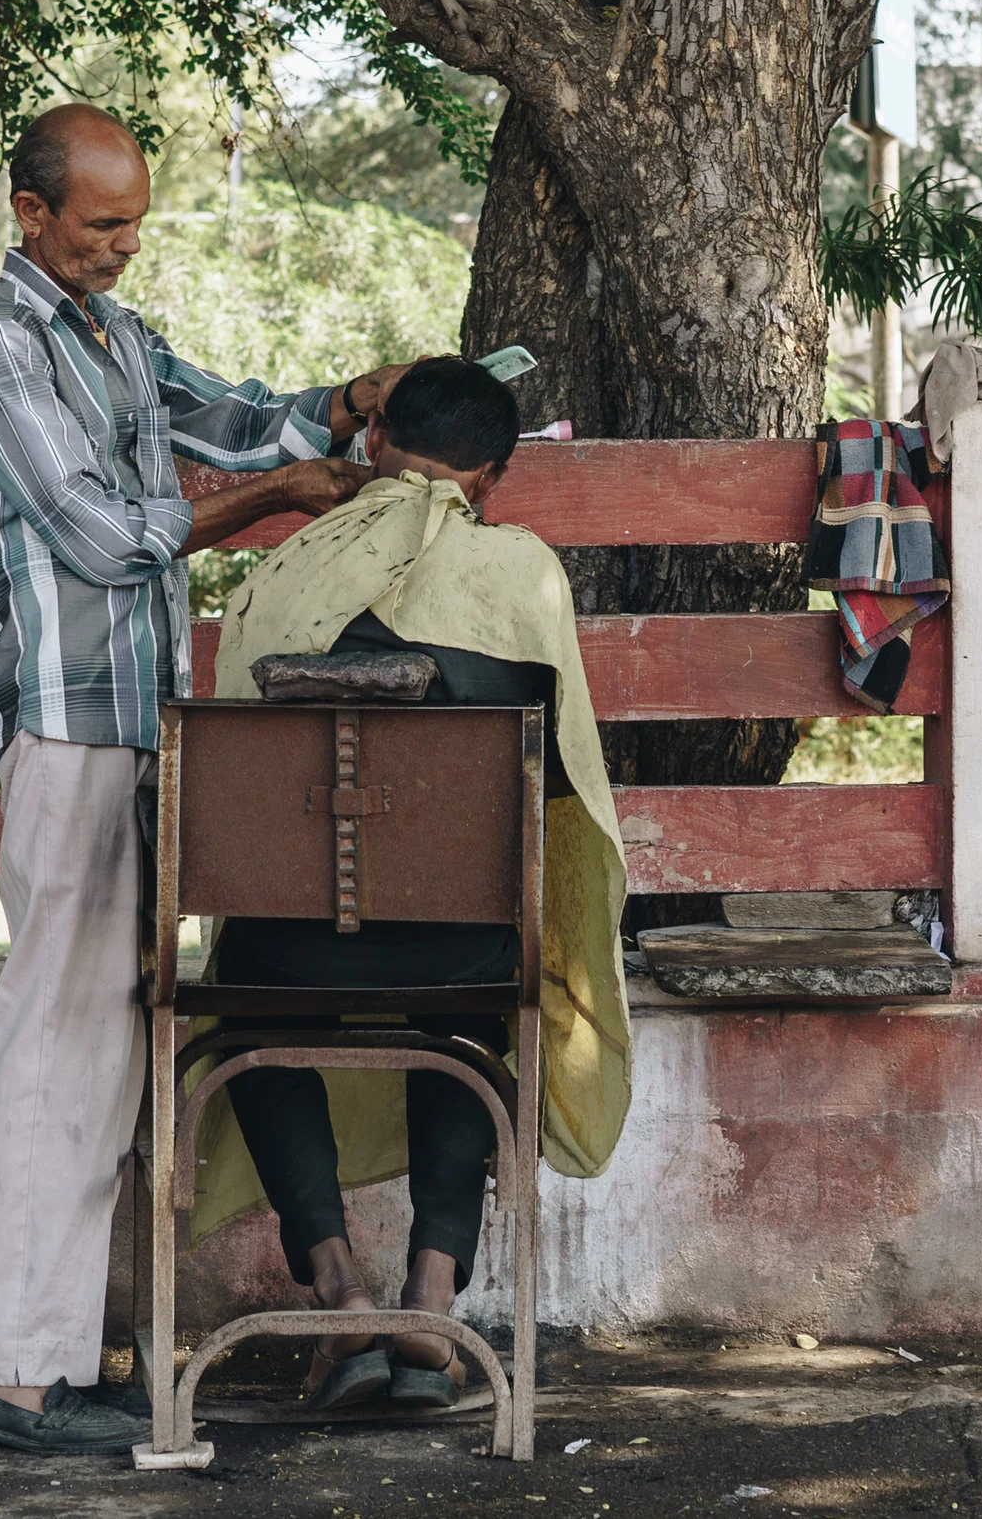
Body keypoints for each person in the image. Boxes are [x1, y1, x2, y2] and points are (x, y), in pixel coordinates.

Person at [0, 101, 406, 1457]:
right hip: (70, 727)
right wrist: (264, 502)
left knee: (109, 1048)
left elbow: (239, 418)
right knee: (55, 1043)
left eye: (137, 220)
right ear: (30, 214)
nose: (125, 246)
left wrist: (345, 404)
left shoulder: (112, 337)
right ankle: (4, 1376)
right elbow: (95, 532)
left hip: (143, 722)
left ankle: (50, 1361)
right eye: (100, 224)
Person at [199, 356, 634, 1410]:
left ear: (375, 439)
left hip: (288, 947)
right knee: (474, 1017)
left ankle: (337, 1291)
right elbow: (566, 783)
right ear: (488, 480)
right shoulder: (522, 574)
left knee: (244, 1002)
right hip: (461, 950)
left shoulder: (277, 578)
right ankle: (430, 1306)